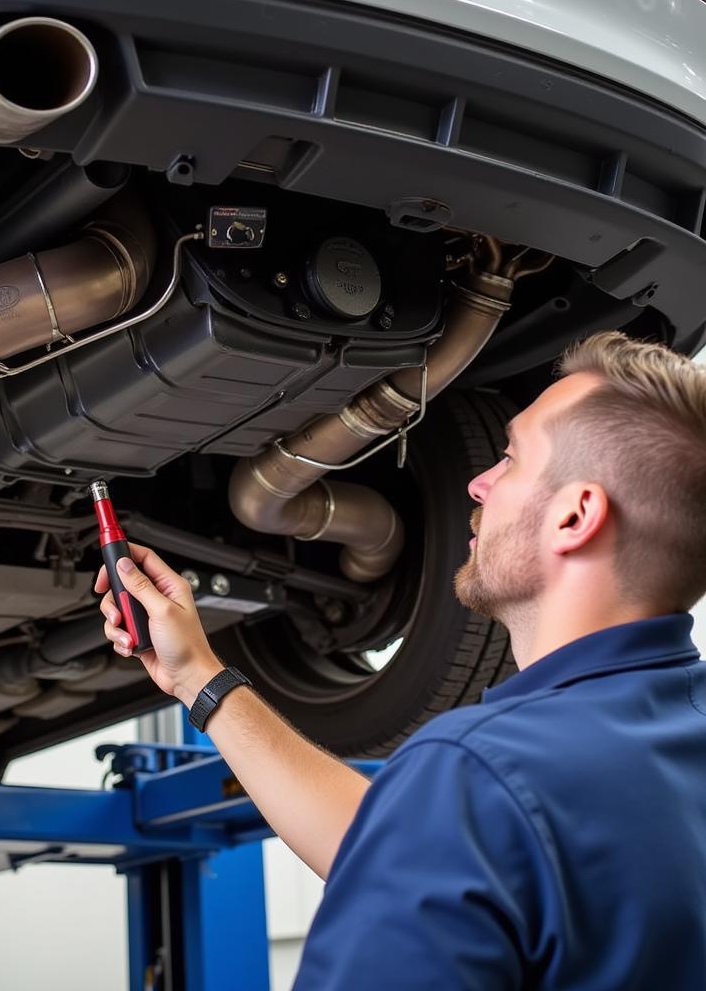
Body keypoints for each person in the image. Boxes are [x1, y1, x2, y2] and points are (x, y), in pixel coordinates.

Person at [95, 330, 706, 989]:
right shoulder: (611, 770)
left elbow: (447, 836)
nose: (478, 482)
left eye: (512, 459)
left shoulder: (475, 779)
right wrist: (199, 680)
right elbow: (413, 850)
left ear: (574, 516)